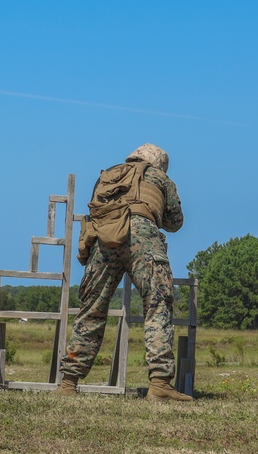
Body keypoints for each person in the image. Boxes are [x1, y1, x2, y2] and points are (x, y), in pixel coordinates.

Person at [54, 143, 191, 401]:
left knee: (92, 308)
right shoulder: (160, 177)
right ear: (159, 163)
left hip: (106, 237)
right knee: (157, 304)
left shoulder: (109, 175)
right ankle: (160, 384)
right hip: (143, 237)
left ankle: (68, 383)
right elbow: (175, 222)